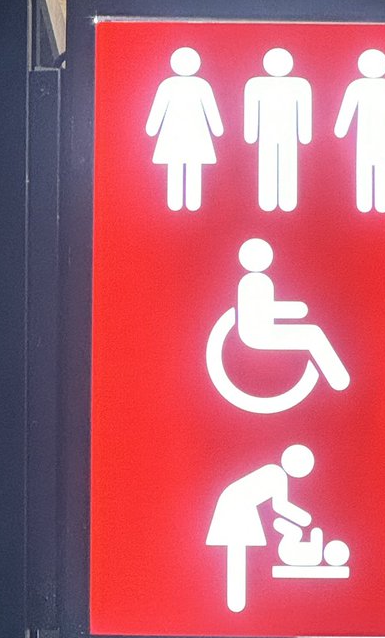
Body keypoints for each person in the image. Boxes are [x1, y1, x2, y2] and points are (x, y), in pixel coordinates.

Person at [206, 445, 314, 613]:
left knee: (237, 550)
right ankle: (236, 607)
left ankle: (236, 607)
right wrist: (304, 519)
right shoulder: (277, 475)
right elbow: (280, 506)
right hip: (236, 508)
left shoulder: (274, 471)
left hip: (234, 504)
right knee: (236, 548)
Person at [235, 238, 349, 391]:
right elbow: (262, 312)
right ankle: (338, 379)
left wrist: (296, 310)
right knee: (312, 334)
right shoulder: (255, 282)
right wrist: (298, 309)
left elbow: (266, 310)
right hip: (259, 334)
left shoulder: (256, 281)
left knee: (312, 333)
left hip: (265, 329)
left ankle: (338, 379)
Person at [334, 49, 385, 213]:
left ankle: (375, 204)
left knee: (375, 167)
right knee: (368, 167)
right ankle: (367, 204)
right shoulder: (368, 87)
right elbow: (347, 110)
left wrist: (341, 130)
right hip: (369, 137)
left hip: (378, 136)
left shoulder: (378, 87)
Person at [145, 47, 224, 210]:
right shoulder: (178, 85)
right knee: (180, 166)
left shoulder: (190, 85)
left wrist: (152, 128)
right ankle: (180, 203)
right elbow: (159, 108)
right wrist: (217, 129)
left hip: (187, 134)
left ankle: (190, 203)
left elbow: (210, 109)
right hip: (182, 134)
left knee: (189, 166)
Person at [244, 48, 312, 211]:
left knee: (287, 163)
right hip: (268, 133)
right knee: (268, 163)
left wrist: (305, 134)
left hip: (287, 134)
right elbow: (251, 110)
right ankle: (268, 200)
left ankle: (287, 200)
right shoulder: (256, 85)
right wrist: (250, 134)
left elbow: (304, 110)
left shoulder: (300, 85)